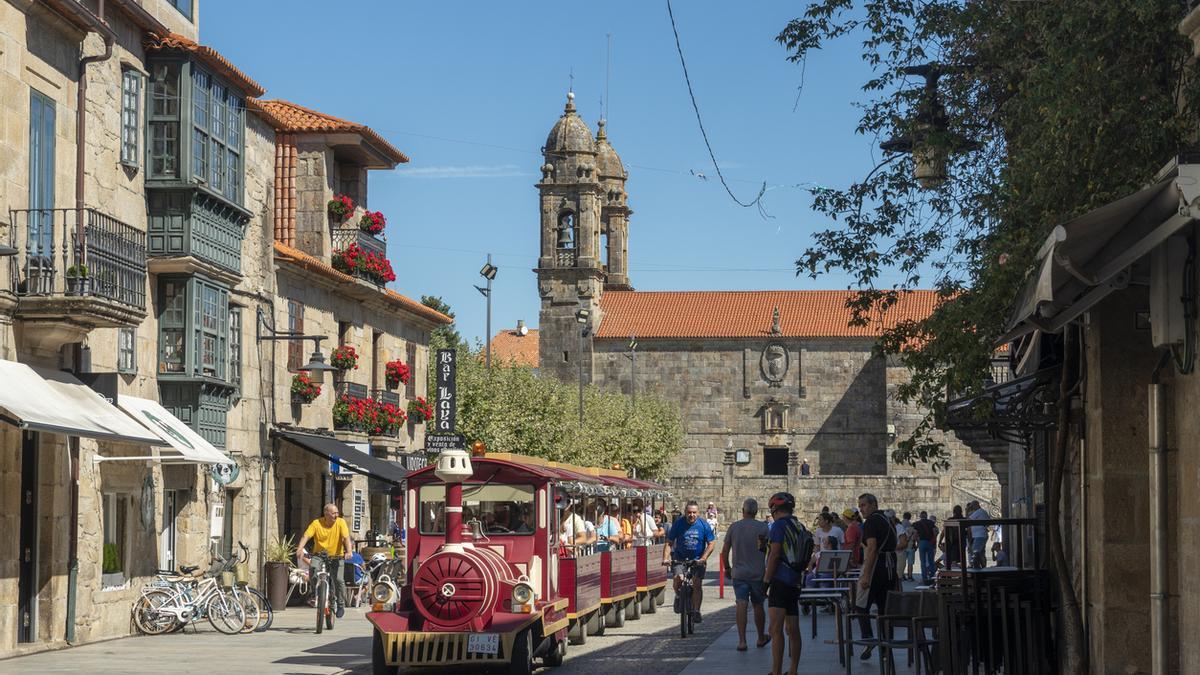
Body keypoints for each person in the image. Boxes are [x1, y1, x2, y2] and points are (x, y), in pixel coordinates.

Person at [763, 492, 808, 675]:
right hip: (795, 581)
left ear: (774, 509)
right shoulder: (799, 525)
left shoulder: (778, 526)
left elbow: (774, 555)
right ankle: (793, 670)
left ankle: (776, 672)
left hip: (780, 580)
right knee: (793, 629)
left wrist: (766, 580)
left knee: (775, 629)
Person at [721, 498, 771, 652]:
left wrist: (728, 568)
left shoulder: (734, 527)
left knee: (741, 604)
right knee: (758, 605)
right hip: (757, 573)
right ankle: (760, 637)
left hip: (739, 573)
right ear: (756, 512)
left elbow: (724, 551)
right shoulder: (763, 528)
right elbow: (768, 551)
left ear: (742, 511)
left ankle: (742, 641)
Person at [855, 493, 897, 660]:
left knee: (860, 605)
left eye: (864, 505)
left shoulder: (871, 521)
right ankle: (887, 647)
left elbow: (872, 548)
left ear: (873, 505)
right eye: (860, 506)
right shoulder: (888, 519)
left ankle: (868, 638)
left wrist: (866, 575)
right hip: (889, 567)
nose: (861, 509)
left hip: (877, 566)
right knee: (884, 608)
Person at [662, 500, 716, 625]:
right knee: (677, 578)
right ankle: (678, 595)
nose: (691, 515)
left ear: (698, 513)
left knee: (697, 583)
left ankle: (696, 610)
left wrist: (704, 558)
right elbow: (669, 542)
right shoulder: (678, 524)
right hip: (680, 558)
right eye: (689, 512)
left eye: (694, 512)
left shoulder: (703, 525)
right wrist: (665, 558)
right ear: (685, 512)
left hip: (698, 559)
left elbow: (711, 543)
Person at [296, 503, 354, 618]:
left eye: (337, 513)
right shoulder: (316, 523)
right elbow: (306, 536)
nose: (336, 515)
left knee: (338, 579)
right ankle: (314, 592)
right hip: (319, 555)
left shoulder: (341, 522)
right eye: (333, 513)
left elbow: (346, 538)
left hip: (337, 556)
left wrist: (349, 551)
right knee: (313, 568)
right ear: (326, 514)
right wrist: (300, 548)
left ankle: (341, 604)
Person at [912, 511, 938, 583]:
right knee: (931, 561)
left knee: (923, 561)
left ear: (920, 516)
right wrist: (934, 538)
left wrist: (915, 542)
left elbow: (914, 534)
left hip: (921, 542)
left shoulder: (917, 524)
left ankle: (924, 578)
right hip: (930, 542)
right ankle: (932, 577)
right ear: (926, 516)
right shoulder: (931, 523)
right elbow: (935, 531)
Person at [967, 500, 991, 568]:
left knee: (974, 552)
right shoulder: (983, 512)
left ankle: (975, 568)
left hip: (979, 536)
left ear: (976, 505)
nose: (971, 507)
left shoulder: (979, 511)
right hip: (981, 535)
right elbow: (988, 523)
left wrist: (967, 510)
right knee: (981, 554)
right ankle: (983, 568)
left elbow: (968, 520)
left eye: (972, 506)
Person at [940, 505, 964, 570]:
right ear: (961, 511)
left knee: (953, 559)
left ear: (954, 512)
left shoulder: (950, 520)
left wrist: (940, 541)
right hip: (962, 541)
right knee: (961, 558)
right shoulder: (964, 519)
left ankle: (952, 573)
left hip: (952, 542)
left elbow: (943, 532)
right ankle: (961, 572)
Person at [898, 512, 916, 581]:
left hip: (902, 545)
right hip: (910, 546)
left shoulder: (900, 525)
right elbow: (914, 537)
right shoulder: (911, 526)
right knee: (910, 562)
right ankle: (910, 576)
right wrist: (915, 545)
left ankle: (901, 575)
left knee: (902, 561)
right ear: (910, 517)